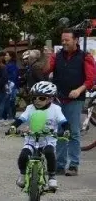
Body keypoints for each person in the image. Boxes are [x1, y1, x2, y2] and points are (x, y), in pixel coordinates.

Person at [44, 28, 95, 176]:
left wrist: (79, 90)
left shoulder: (85, 57)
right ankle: (59, 165)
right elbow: (46, 71)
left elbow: (90, 79)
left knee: (73, 132)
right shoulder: (57, 56)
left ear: (75, 40)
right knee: (60, 131)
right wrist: (48, 58)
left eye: (67, 40)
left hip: (75, 99)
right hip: (59, 98)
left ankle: (73, 165)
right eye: (62, 40)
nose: (64, 43)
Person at [5, 81, 70, 191]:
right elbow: (21, 119)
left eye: (42, 98)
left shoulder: (55, 109)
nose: (37, 101)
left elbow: (64, 122)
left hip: (48, 139)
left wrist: (67, 130)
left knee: (49, 153)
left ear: (51, 99)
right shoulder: (30, 108)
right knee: (23, 156)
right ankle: (22, 175)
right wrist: (13, 127)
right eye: (34, 98)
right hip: (31, 139)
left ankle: (52, 177)